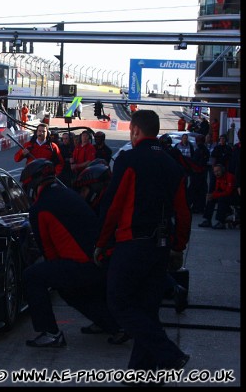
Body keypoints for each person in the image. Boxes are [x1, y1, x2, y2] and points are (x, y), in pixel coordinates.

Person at [95, 109, 191, 378]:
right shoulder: (173, 164)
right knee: (147, 310)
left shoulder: (130, 160)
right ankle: (143, 374)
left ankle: (170, 354)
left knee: (118, 303)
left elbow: (113, 205)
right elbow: (184, 212)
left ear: (135, 131)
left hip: (131, 244)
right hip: (160, 247)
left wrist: (102, 242)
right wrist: (178, 246)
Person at [19, 159, 124, 348]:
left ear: (33, 185)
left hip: (82, 264)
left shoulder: (40, 208)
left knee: (32, 276)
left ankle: (50, 332)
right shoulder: (67, 193)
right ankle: (113, 325)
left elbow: (48, 251)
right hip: (98, 261)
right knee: (70, 290)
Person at [198, 163, 238, 229]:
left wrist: (215, 195)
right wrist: (212, 195)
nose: (216, 173)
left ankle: (221, 222)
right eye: (215, 172)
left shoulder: (229, 177)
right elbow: (217, 190)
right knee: (212, 199)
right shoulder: (218, 178)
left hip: (234, 196)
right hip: (225, 195)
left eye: (218, 171)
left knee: (222, 199)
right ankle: (208, 220)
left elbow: (228, 192)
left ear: (222, 170)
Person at [188, 134, 210, 214]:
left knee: (193, 190)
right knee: (201, 191)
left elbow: (195, 161)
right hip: (202, 173)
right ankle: (199, 207)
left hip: (197, 173)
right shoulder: (205, 150)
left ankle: (194, 206)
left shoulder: (199, 150)